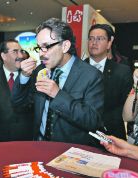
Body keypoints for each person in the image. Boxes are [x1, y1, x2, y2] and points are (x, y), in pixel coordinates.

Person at [11, 18, 104, 146]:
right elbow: (19, 105)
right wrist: (24, 76)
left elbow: (93, 121)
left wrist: (58, 95)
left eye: (46, 47)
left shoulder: (91, 75)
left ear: (65, 46)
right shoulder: (40, 71)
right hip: (39, 145)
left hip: (70, 152)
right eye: (39, 48)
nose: (41, 54)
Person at [86, 24, 133, 140]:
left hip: (111, 135)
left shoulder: (122, 71)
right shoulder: (77, 68)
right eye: (91, 38)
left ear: (109, 43)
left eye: (100, 39)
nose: (94, 42)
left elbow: (126, 106)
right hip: (81, 135)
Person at [0, 39, 34, 142]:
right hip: (0, 138)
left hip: (26, 137)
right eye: (15, 51)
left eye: (21, 51)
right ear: (4, 56)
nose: (21, 55)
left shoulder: (31, 77)